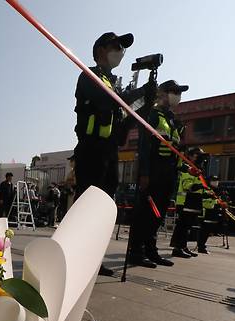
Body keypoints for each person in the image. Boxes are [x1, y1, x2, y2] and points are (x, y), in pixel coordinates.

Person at [73, 31, 154, 276]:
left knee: (103, 208)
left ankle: (94, 259)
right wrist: (138, 93)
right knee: (87, 206)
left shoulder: (114, 84)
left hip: (109, 151)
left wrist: (147, 100)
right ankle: (75, 256)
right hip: (91, 150)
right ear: (100, 50)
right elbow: (109, 100)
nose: (120, 51)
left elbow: (125, 118)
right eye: (116, 46)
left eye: (122, 47)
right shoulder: (90, 76)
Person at [127, 80, 191, 268]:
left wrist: (183, 167)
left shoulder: (173, 119)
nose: (177, 95)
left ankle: (150, 250)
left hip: (169, 173)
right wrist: (144, 173)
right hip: (153, 171)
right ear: (162, 93)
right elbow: (144, 146)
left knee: (157, 215)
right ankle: (136, 252)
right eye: (174, 91)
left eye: (179, 92)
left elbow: (175, 149)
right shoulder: (153, 114)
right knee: (145, 214)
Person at [170, 147, 205, 258]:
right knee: (183, 226)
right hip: (186, 202)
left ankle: (183, 247)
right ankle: (177, 248)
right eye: (197, 154)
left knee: (188, 227)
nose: (199, 157)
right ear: (190, 156)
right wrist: (201, 185)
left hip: (194, 202)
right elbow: (187, 186)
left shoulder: (198, 169)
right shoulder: (189, 168)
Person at [197, 176, 224, 254]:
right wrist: (215, 201)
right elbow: (205, 202)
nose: (215, 182)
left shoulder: (218, 190)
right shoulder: (207, 189)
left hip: (213, 214)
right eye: (213, 181)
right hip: (206, 214)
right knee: (204, 231)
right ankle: (201, 247)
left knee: (207, 231)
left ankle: (202, 246)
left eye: (217, 181)